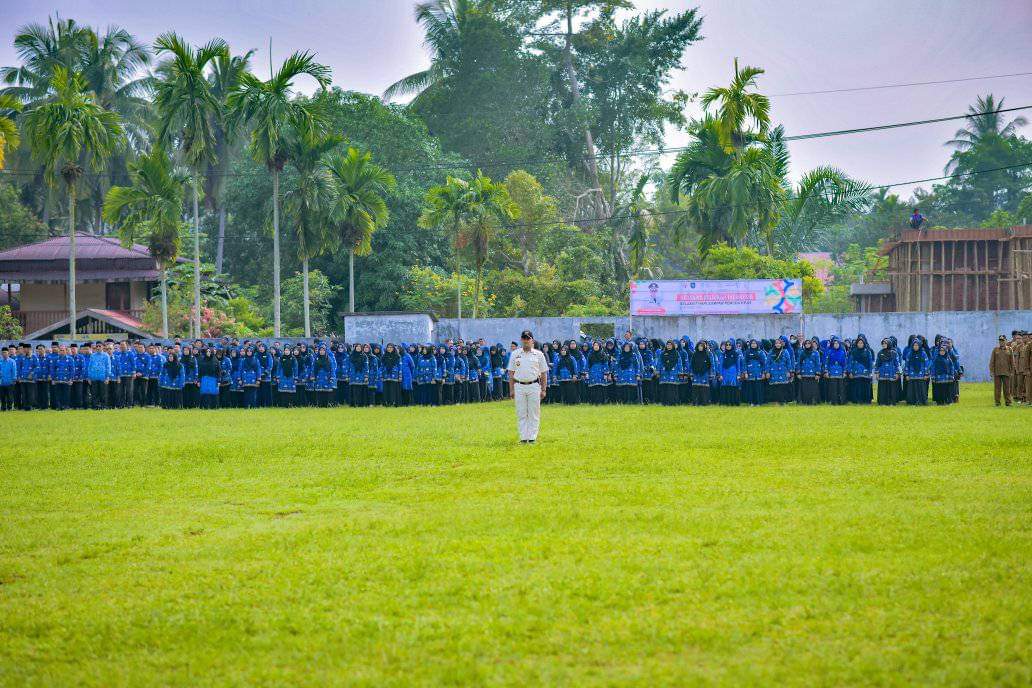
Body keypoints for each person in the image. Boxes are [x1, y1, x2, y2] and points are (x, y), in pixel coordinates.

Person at [507, 330, 548, 444]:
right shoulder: (515, 354)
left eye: (528, 338)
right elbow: (511, 373)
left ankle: (532, 438)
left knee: (534, 413)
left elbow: (544, 373)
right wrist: (511, 389)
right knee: (521, 413)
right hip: (519, 386)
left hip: (534, 385)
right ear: (521, 340)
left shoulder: (539, 355)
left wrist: (544, 389)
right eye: (524, 338)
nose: (526, 341)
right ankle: (523, 438)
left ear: (532, 340)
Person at [989, 334, 1014, 406]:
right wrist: (991, 371)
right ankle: (997, 402)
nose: (1001, 342)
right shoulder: (995, 349)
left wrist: (1012, 371)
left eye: (1003, 340)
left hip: (1006, 372)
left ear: (1006, 341)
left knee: (1007, 388)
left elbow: (1012, 361)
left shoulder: (1009, 349)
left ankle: (1008, 402)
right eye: (1000, 340)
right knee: (997, 388)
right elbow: (992, 361)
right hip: (997, 372)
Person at [903, 339, 929, 405]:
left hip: (921, 375)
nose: (915, 346)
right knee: (911, 390)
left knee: (921, 389)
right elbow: (907, 364)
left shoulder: (923, 353)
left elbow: (926, 364)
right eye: (914, 345)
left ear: (920, 346)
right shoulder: (909, 353)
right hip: (912, 375)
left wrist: (926, 374)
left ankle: (921, 401)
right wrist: (907, 374)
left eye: (917, 345)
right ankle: (911, 402)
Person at [0, 346, 16, 411]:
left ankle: (9, 407)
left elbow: (14, 371)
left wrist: (14, 379)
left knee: (10, 396)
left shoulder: (12, 361)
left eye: (5, 352)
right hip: (2, 382)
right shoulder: (0, 361)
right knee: (2, 396)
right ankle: (3, 407)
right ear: (1, 354)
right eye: (3, 353)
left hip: (10, 382)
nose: (4, 354)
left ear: (8, 353)